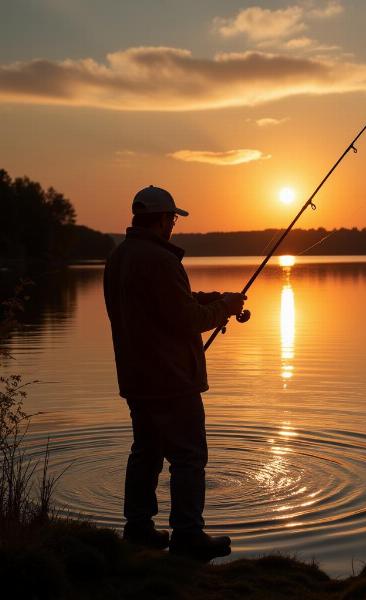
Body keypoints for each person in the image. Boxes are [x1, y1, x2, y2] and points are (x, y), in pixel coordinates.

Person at [103, 185, 246, 561]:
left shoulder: (119, 257)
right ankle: (187, 535)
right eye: (173, 218)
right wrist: (222, 309)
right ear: (165, 219)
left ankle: (138, 529)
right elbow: (185, 320)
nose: (174, 225)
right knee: (188, 457)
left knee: (146, 452)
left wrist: (214, 299)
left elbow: (162, 305)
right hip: (171, 380)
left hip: (136, 377)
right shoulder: (162, 260)